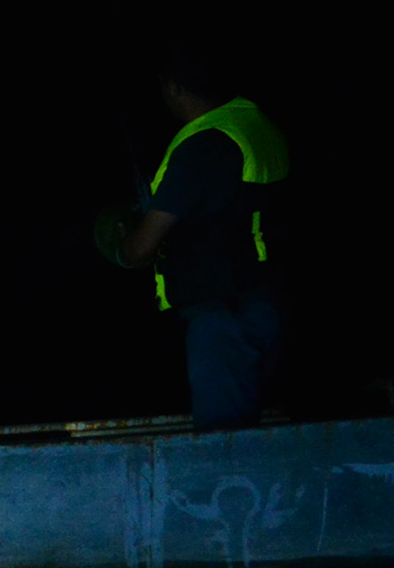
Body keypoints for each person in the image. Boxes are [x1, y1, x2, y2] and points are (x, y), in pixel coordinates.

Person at [102, 56, 288, 427]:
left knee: (225, 447)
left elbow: (141, 249)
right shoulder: (255, 124)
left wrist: (122, 245)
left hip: (223, 321)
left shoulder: (202, 145)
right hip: (268, 305)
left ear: (174, 87)